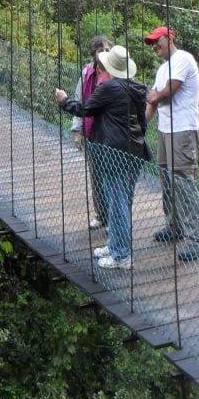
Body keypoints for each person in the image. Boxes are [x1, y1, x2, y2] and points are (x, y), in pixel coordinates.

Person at [55, 45, 149, 270]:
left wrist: (63, 100)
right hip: (134, 151)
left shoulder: (110, 88)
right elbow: (142, 122)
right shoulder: (135, 87)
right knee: (121, 200)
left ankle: (121, 255)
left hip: (113, 152)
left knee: (117, 203)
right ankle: (115, 244)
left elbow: (84, 108)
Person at [145, 26, 199, 262]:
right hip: (165, 130)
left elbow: (165, 93)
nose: (154, 47)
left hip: (182, 131)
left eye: (156, 41)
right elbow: (152, 100)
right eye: (151, 44)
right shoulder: (162, 69)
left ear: (170, 38)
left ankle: (196, 239)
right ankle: (175, 227)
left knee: (182, 182)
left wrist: (155, 96)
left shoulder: (183, 59)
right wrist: (140, 127)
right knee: (166, 180)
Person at [71, 34, 113, 230]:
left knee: (111, 177)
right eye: (100, 50)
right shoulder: (87, 73)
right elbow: (80, 102)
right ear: (94, 53)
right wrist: (77, 130)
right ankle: (101, 215)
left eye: (107, 50)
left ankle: (114, 218)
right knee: (96, 176)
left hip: (111, 133)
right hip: (92, 131)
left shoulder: (118, 72)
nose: (104, 54)